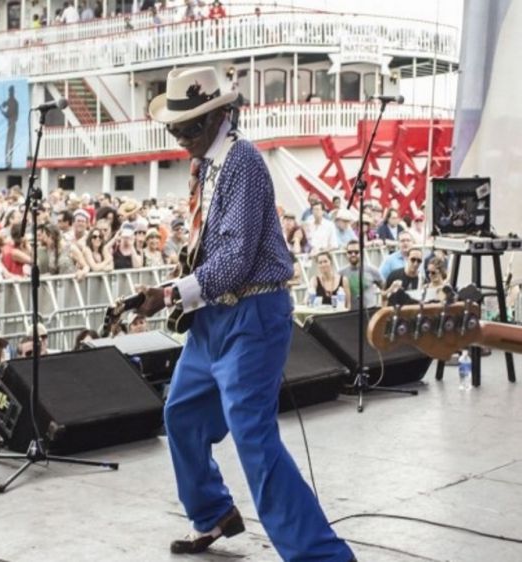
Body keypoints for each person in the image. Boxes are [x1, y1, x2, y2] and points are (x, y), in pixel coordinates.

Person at [137, 67, 354, 561]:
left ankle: (320, 555)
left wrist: (170, 295)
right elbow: (212, 251)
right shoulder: (205, 165)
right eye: (176, 129)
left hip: (253, 315)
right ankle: (213, 512)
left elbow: (235, 262)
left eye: (190, 128)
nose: (182, 139)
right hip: (214, 316)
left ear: (220, 115)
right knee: (182, 414)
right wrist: (177, 285)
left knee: (253, 436)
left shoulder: (244, 163)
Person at [338, 240, 384, 309]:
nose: (353, 254)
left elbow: (384, 288)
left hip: (370, 311)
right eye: (350, 252)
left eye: (356, 252)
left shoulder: (372, 270)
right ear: (346, 254)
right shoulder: (340, 273)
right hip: (350, 313)